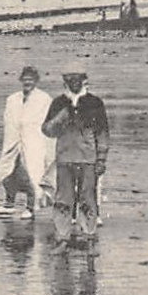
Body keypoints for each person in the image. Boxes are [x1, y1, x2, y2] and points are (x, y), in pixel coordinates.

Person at [42, 59, 110, 244]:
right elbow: (47, 131)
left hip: (88, 159)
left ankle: (89, 235)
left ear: (84, 79)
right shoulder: (58, 103)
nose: (73, 81)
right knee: (63, 200)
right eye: (69, 78)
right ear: (65, 81)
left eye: (77, 78)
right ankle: (62, 237)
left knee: (88, 199)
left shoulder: (95, 103)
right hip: (64, 159)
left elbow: (102, 133)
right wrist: (59, 119)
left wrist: (101, 159)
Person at [0, 65, 54, 220]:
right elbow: (8, 121)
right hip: (13, 141)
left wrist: (46, 146)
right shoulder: (12, 99)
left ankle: (31, 206)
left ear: (36, 81)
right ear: (21, 80)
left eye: (31, 80)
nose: (27, 82)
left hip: (34, 141)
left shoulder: (44, 99)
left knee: (32, 174)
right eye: (25, 79)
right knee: (7, 171)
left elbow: (46, 123)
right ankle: (9, 202)